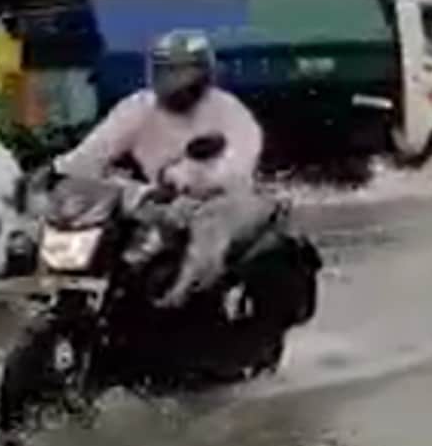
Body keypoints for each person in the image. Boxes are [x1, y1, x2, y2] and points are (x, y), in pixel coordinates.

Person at [51, 30, 270, 307]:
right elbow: (96, 149)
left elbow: (237, 164)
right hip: (160, 199)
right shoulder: (139, 107)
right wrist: (55, 171)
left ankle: (190, 305)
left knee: (207, 239)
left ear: (203, 74)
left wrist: (190, 179)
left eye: (181, 72)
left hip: (219, 203)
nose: (172, 81)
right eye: (165, 72)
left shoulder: (228, 111)